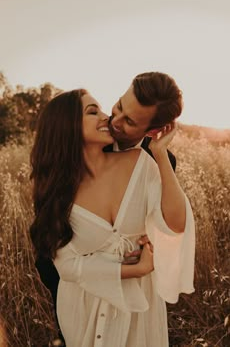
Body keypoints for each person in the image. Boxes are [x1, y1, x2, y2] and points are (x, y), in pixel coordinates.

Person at [30, 86, 195, 346]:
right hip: (82, 309)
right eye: (93, 111)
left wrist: (160, 153)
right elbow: (63, 265)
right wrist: (137, 268)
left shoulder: (142, 162)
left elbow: (175, 224)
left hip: (139, 309)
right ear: (66, 126)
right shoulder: (56, 191)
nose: (106, 117)